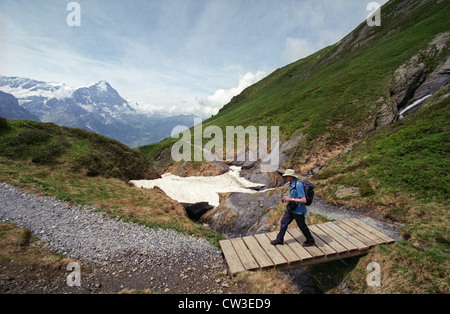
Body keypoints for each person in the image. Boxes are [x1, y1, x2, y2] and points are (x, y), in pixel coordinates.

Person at [270, 169, 315, 247]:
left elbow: (304, 200)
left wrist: (290, 199)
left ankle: (310, 240)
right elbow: (294, 195)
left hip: (298, 210)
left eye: (287, 176)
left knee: (302, 226)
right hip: (291, 208)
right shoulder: (291, 183)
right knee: (284, 222)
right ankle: (279, 239)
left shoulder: (298, 185)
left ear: (291, 176)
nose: (285, 177)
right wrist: (288, 197)